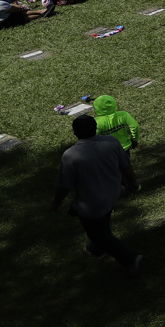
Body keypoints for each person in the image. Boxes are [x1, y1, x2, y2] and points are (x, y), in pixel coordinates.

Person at [53, 115, 141, 275]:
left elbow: (64, 185)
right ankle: (97, 249)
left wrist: (55, 204)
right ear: (95, 128)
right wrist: (134, 182)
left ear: (74, 133)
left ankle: (130, 259)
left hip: (92, 202)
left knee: (99, 234)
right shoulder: (111, 142)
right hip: (114, 192)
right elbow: (126, 165)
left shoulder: (71, 155)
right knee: (102, 222)